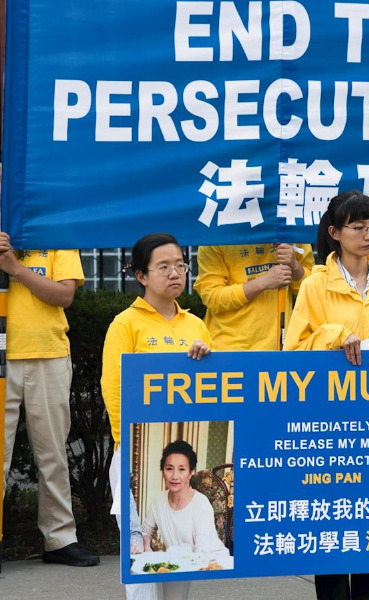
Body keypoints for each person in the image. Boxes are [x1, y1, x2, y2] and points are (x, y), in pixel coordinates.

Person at [284, 190, 369, 600]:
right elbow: (294, 348)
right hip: (328, 425)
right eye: (358, 227)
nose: (368, 235)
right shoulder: (314, 286)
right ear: (335, 233)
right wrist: (335, 335)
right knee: (330, 529)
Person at [101, 232, 213, 600]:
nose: (175, 273)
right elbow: (113, 388)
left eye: (180, 265)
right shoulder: (125, 324)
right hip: (136, 454)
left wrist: (207, 359)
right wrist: (130, 445)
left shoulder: (196, 326)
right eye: (163, 267)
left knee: (182, 557)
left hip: (179, 454)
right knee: (144, 558)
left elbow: (213, 390)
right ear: (142, 276)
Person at [0, 231, 100, 567]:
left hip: (49, 353)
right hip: (2, 354)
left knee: (53, 452)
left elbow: (64, 295)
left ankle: (60, 539)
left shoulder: (54, 231)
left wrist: (15, 268)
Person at [194, 242, 313, 350]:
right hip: (230, 348)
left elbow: (312, 290)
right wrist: (263, 282)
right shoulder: (215, 237)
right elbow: (213, 298)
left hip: (280, 345)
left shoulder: (291, 230)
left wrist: (294, 265)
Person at [142, 440, 230, 559]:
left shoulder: (201, 504)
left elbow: (201, 553)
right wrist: (146, 547)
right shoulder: (158, 501)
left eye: (182, 469)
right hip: (182, 562)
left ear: (191, 473)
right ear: (163, 471)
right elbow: (145, 532)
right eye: (169, 468)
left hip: (213, 561)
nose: (174, 476)